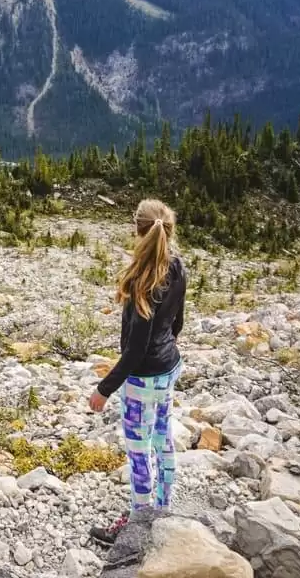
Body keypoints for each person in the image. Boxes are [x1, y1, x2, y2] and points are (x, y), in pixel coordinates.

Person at [86, 198, 187, 546]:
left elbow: (135, 350)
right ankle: (163, 508)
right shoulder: (178, 267)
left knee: (138, 449)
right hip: (169, 367)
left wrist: (104, 389)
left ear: (137, 231)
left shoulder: (142, 281)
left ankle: (139, 523)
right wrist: (164, 352)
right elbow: (178, 324)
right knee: (162, 437)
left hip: (142, 378)